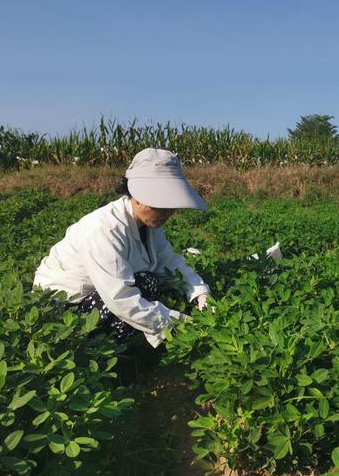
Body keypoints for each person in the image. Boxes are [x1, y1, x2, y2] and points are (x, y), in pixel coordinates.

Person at [34, 148, 211, 347]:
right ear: (136, 196)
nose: (167, 213)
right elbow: (121, 298)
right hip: (59, 309)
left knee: (149, 281)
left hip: (100, 294)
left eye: (171, 206)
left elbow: (169, 262)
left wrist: (200, 293)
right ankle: (97, 354)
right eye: (160, 205)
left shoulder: (148, 226)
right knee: (145, 284)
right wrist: (182, 325)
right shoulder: (103, 229)